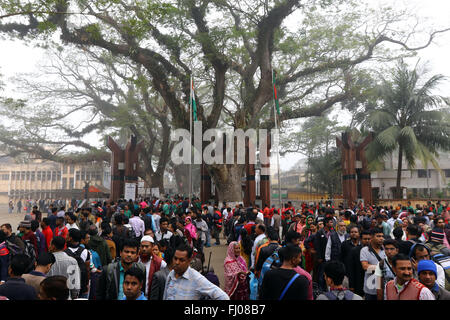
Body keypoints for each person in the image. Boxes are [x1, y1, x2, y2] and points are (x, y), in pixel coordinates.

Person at [163, 244, 229, 300]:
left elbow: (223, 297)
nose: (177, 262)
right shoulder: (171, 274)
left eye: (181, 260)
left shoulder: (196, 279)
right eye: (175, 258)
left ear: (189, 260)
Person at [360, 227, 386, 300]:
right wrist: (383, 268)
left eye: (382, 236)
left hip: (384, 287)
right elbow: (365, 267)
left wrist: (373, 268)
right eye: (378, 236)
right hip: (370, 287)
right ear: (372, 237)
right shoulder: (365, 250)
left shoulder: (386, 249)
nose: (381, 238)